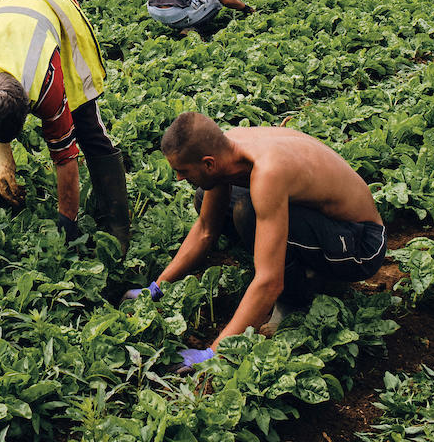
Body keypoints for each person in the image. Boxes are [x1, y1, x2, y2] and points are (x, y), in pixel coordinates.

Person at [125, 112, 386, 369]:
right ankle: (307, 269)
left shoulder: (268, 172)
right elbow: (206, 229)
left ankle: (296, 298)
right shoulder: (226, 149)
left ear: (208, 163)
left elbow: (269, 281)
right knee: (206, 198)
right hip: (322, 221)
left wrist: (214, 353)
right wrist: (156, 289)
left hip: (361, 242)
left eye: (182, 171)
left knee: (248, 213)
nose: (179, 178)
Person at [0, 0, 130, 254]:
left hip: (57, 11)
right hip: (5, 10)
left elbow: (65, 157)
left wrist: (67, 228)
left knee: (85, 122)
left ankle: (119, 227)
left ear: (29, 106)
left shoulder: (45, 84)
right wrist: (3, 162)